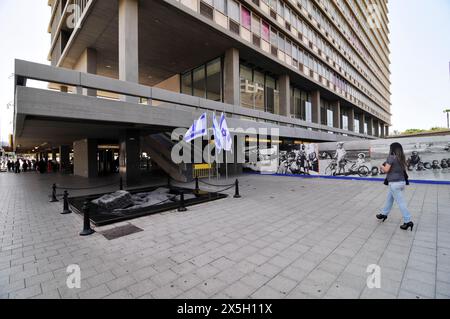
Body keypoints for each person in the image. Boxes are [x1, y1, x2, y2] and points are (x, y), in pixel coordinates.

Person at [377, 142, 414, 231]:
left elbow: (386, 170)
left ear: (392, 149)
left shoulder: (391, 157)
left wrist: (381, 165)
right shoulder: (401, 158)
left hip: (394, 184)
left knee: (401, 203)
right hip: (401, 182)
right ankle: (384, 214)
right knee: (389, 199)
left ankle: (408, 221)